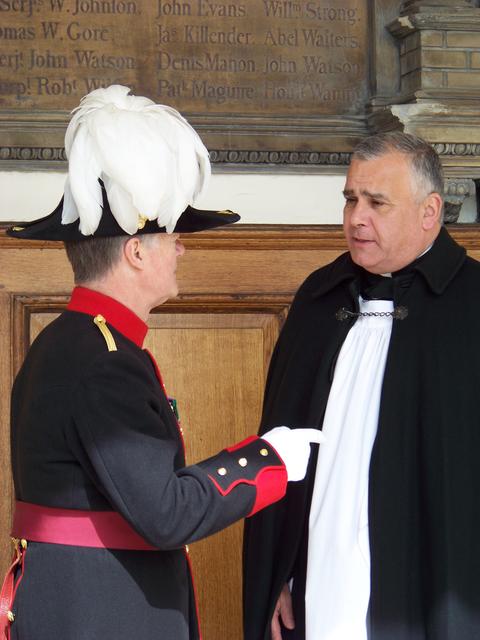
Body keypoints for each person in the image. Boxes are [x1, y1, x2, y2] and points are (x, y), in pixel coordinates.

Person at [1, 85, 324, 640]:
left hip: (84, 605)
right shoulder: (104, 360)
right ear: (135, 251)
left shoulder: (67, 342)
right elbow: (166, 513)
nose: (181, 250)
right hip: (105, 615)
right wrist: (267, 459)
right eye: (172, 237)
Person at [243, 131, 480, 640]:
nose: (355, 218)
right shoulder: (319, 299)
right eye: (351, 198)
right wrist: (278, 572)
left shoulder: (472, 309)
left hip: (437, 584)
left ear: (429, 212)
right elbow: (280, 447)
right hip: (322, 578)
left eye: (376, 203)